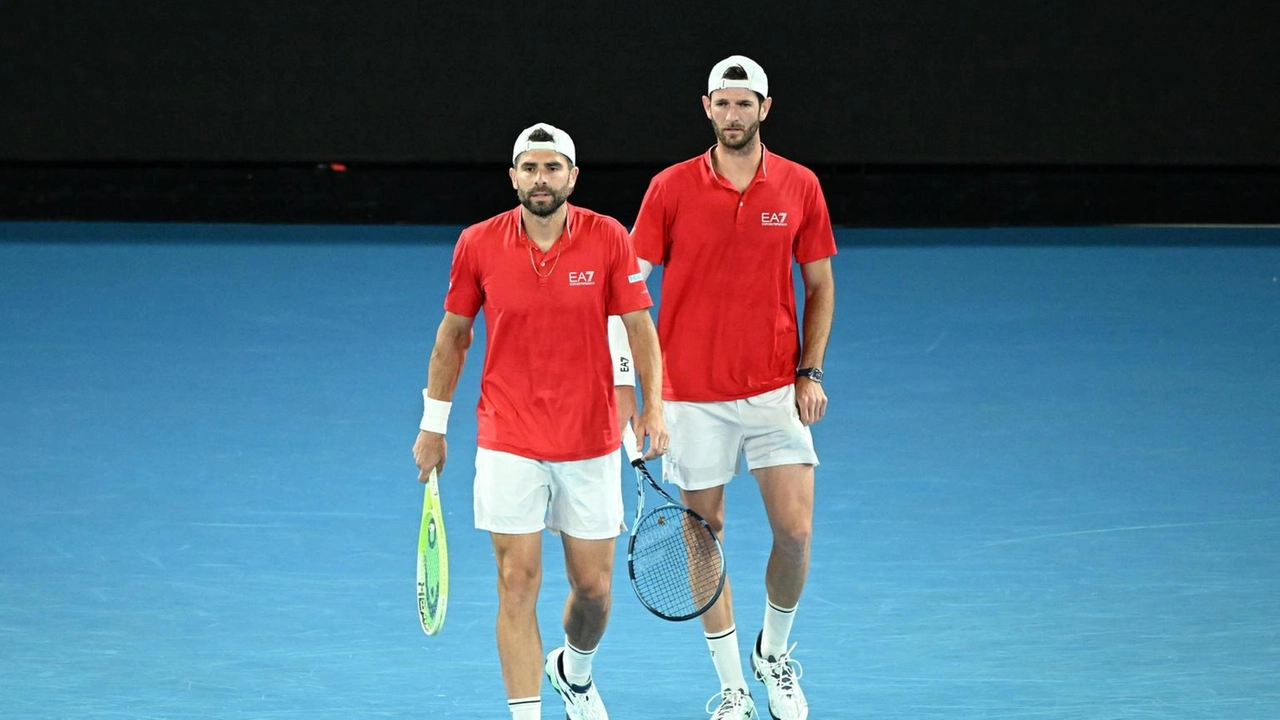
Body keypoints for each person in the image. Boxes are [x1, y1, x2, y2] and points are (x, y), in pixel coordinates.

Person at [412, 122, 668, 720]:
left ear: (572, 177)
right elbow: (454, 335)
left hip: (590, 439)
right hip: (509, 435)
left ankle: (573, 673)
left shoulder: (608, 238)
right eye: (529, 168)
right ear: (513, 178)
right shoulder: (477, 243)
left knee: (594, 592)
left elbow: (639, 329)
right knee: (516, 581)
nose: (540, 179)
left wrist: (652, 405)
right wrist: (434, 423)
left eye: (552, 168)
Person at [628, 56, 837, 720]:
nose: (734, 114)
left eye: (745, 103)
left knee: (796, 533)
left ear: (765, 109)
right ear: (707, 107)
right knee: (703, 535)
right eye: (723, 103)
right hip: (691, 397)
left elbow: (820, 286)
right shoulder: (668, 187)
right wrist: (643, 397)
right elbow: (629, 292)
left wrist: (810, 371)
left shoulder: (800, 186)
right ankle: (732, 689)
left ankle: (771, 654)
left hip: (775, 389)